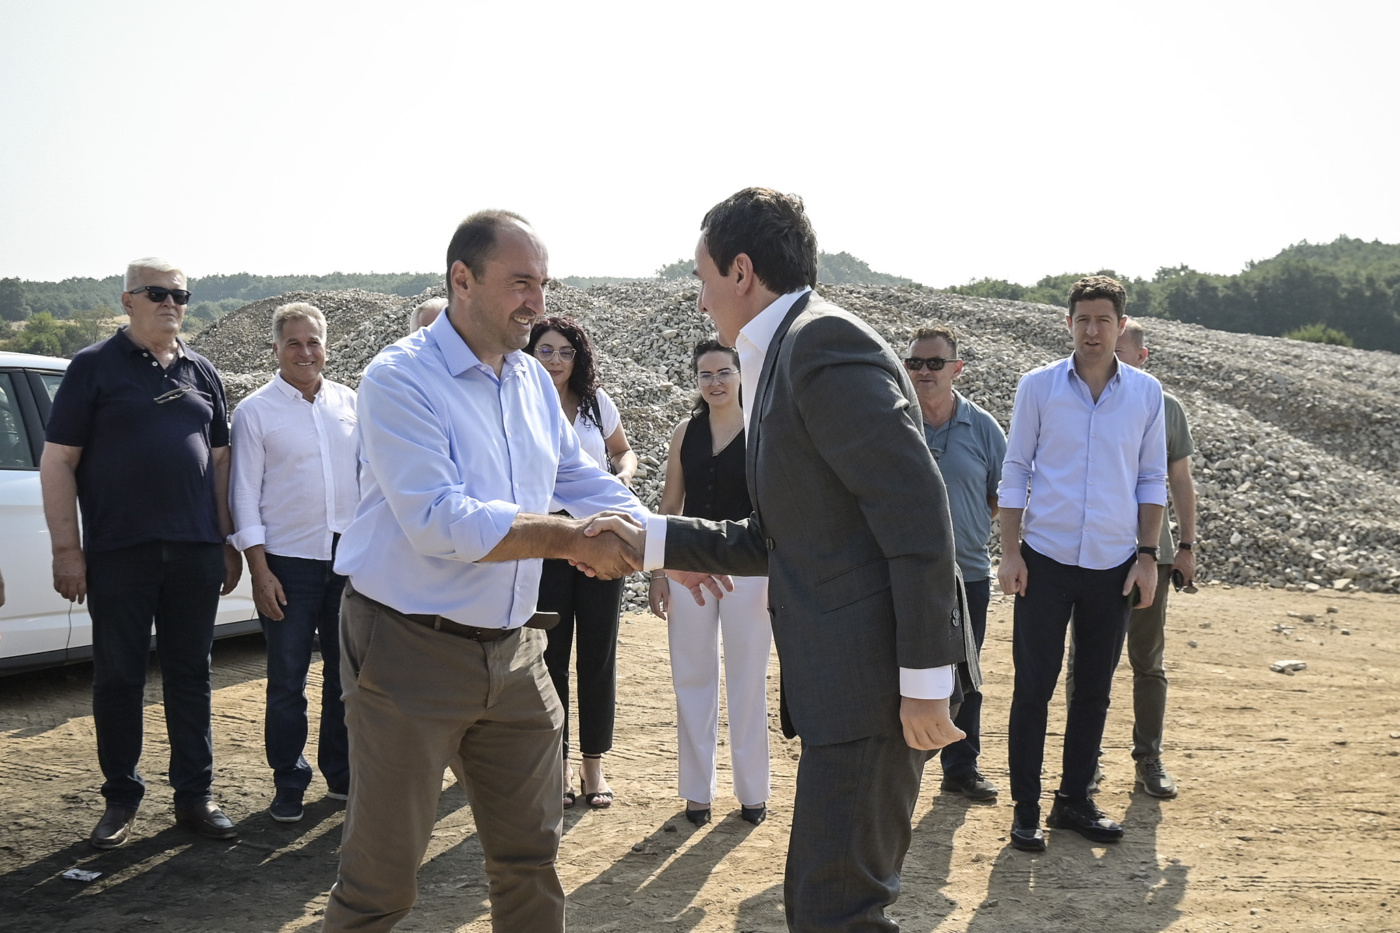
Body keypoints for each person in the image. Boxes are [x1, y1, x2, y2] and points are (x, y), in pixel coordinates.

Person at [590, 187, 978, 932]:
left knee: (837, 909)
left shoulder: (822, 344)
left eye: (703, 278)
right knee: (824, 903)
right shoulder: (785, 353)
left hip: (878, 688)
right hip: (851, 687)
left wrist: (927, 683)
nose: (699, 299)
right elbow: (780, 533)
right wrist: (651, 540)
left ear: (741, 271)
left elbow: (918, 514)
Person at [321, 210, 645, 933]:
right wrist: (569, 540)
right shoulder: (400, 378)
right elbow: (440, 521)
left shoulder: (528, 378)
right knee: (379, 882)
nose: (537, 301)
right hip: (410, 650)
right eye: (521, 282)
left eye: (544, 283)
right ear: (461, 280)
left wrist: (657, 544)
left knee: (531, 862)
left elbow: (574, 475)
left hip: (516, 653)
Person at [40, 257, 243, 849]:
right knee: (119, 677)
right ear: (128, 300)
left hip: (195, 550)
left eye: (180, 294)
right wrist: (66, 549)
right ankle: (121, 799)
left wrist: (225, 539)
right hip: (120, 551)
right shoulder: (93, 367)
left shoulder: (202, 371)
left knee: (192, 676)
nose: (171, 303)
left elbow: (221, 463)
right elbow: (59, 461)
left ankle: (195, 797)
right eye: (157, 293)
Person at [997, 275, 1167, 852]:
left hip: (1112, 565)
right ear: (1068, 323)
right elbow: (1016, 468)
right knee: (1033, 689)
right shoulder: (1038, 386)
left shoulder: (1146, 394)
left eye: (1104, 320)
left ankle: (1073, 800)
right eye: (1083, 320)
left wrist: (1147, 557)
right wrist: (1011, 551)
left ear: (1122, 326)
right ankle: (1025, 808)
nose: (1092, 331)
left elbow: (1151, 478)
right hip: (1043, 561)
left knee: (1093, 691)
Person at [230, 302, 358, 823]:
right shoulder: (255, 412)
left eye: (313, 342)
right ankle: (288, 781)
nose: (305, 353)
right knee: (287, 680)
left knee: (345, 679)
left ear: (326, 346)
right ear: (276, 349)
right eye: (293, 343)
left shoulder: (349, 403)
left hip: (346, 561)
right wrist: (259, 571)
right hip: (287, 565)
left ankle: (341, 776)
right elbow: (243, 494)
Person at [1065, 317, 1197, 799]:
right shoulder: (1078, 398)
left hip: (1151, 553)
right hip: (1093, 550)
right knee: (1085, 662)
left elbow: (1179, 479)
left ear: (1142, 357)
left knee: (1147, 660)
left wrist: (1186, 546)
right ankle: (1085, 760)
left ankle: (1148, 757)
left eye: (1120, 351)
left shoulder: (1164, 405)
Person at [648, 339, 772, 827]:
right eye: (706, 374)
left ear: (741, 376)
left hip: (749, 568)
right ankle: (696, 792)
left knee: (748, 678)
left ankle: (753, 792)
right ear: (696, 380)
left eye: (724, 372)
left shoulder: (762, 427)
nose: (715, 382)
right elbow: (670, 506)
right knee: (691, 676)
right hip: (688, 566)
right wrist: (659, 572)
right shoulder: (686, 432)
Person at [525, 316, 638, 809]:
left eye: (565, 352)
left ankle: (594, 763)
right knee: (549, 654)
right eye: (546, 350)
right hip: (547, 540)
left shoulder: (596, 402)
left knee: (598, 652)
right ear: (530, 354)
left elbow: (624, 452)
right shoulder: (520, 403)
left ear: (579, 358)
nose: (555, 360)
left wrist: (621, 479)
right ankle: (559, 763)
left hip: (600, 536)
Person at [906, 325, 1007, 802]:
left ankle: (961, 768)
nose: (923, 372)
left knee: (966, 675)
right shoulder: (894, 421)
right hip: (903, 575)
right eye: (915, 363)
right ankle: (898, 768)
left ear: (957, 368)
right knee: (902, 672)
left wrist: (963, 527)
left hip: (967, 575)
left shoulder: (983, 428)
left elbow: (1001, 495)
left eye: (934, 363)